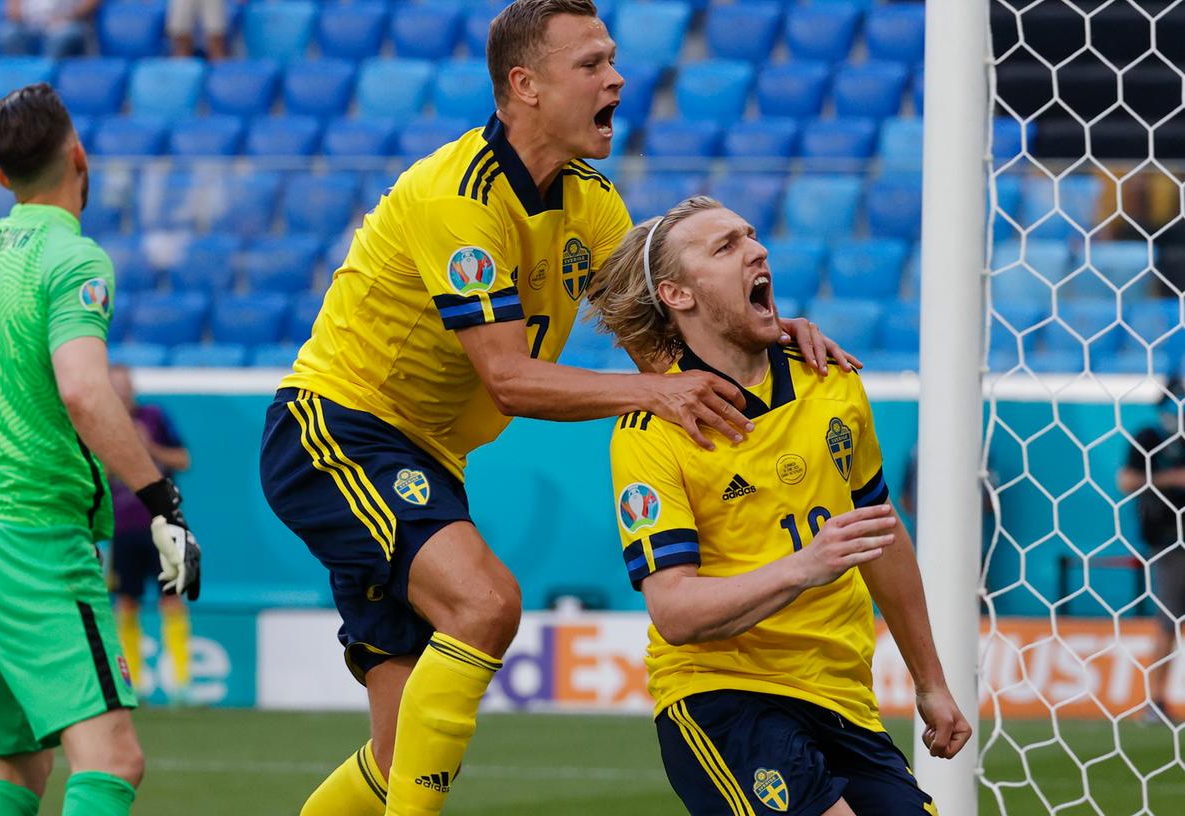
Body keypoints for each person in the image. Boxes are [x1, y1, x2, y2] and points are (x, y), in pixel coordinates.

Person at [259, 2, 857, 813]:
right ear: (524, 85)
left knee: (404, 752)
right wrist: (657, 390)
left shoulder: (593, 204)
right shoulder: (455, 197)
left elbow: (668, 351)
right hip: (337, 429)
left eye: (614, 60)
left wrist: (757, 332)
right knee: (487, 603)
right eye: (592, 63)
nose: (617, 78)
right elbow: (511, 379)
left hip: (426, 457)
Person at [588, 195, 971, 815]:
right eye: (725, 247)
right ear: (678, 294)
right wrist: (804, 566)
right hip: (721, 696)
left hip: (841, 697)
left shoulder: (833, 379)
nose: (757, 250)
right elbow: (676, 613)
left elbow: (881, 536)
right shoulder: (653, 432)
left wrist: (931, 681)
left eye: (750, 236)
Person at [0, 83, 201, 816]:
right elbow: (84, 391)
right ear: (80, 157)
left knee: (15, 770)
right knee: (113, 758)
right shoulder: (74, 258)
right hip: (32, 534)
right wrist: (161, 499)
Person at [107, 365, 194, 703]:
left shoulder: (155, 417)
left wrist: (149, 448)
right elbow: (102, 472)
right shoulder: (103, 423)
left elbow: (183, 459)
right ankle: (133, 683)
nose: (122, 393)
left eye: (125, 386)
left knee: (171, 599)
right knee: (126, 601)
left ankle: (182, 684)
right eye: (115, 387)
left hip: (163, 525)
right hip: (123, 529)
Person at [1117, 375, 1185, 723]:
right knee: (1168, 622)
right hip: (1169, 541)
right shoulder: (1150, 437)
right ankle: (1155, 702)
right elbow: (1125, 480)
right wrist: (1168, 480)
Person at [0, 0, 99, 58]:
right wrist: (34, 18)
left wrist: (69, 16)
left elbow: (90, 3)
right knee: (9, 33)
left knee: (63, 36)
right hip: (31, 24)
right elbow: (12, 10)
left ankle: (45, 82)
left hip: (68, 22)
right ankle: (23, 78)